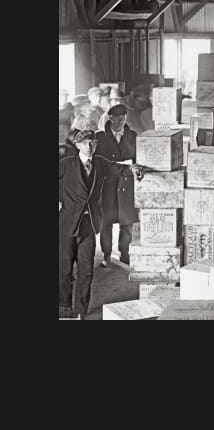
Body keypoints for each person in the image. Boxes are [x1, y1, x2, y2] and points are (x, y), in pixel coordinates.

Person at [59, 129, 143, 319]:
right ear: (78, 145)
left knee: (86, 270)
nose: (90, 147)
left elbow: (118, 167)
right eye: (87, 143)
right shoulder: (65, 165)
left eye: (93, 143)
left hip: (89, 225)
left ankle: (81, 309)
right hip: (66, 225)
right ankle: (64, 306)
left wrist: (132, 168)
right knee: (64, 269)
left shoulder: (100, 163)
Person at [95, 104, 139, 268]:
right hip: (108, 185)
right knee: (106, 222)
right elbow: (97, 160)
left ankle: (125, 254)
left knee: (126, 223)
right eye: (117, 117)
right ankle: (106, 254)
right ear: (110, 118)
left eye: (124, 117)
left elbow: (138, 158)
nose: (121, 120)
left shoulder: (133, 136)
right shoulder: (99, 137)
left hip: (126, 185)